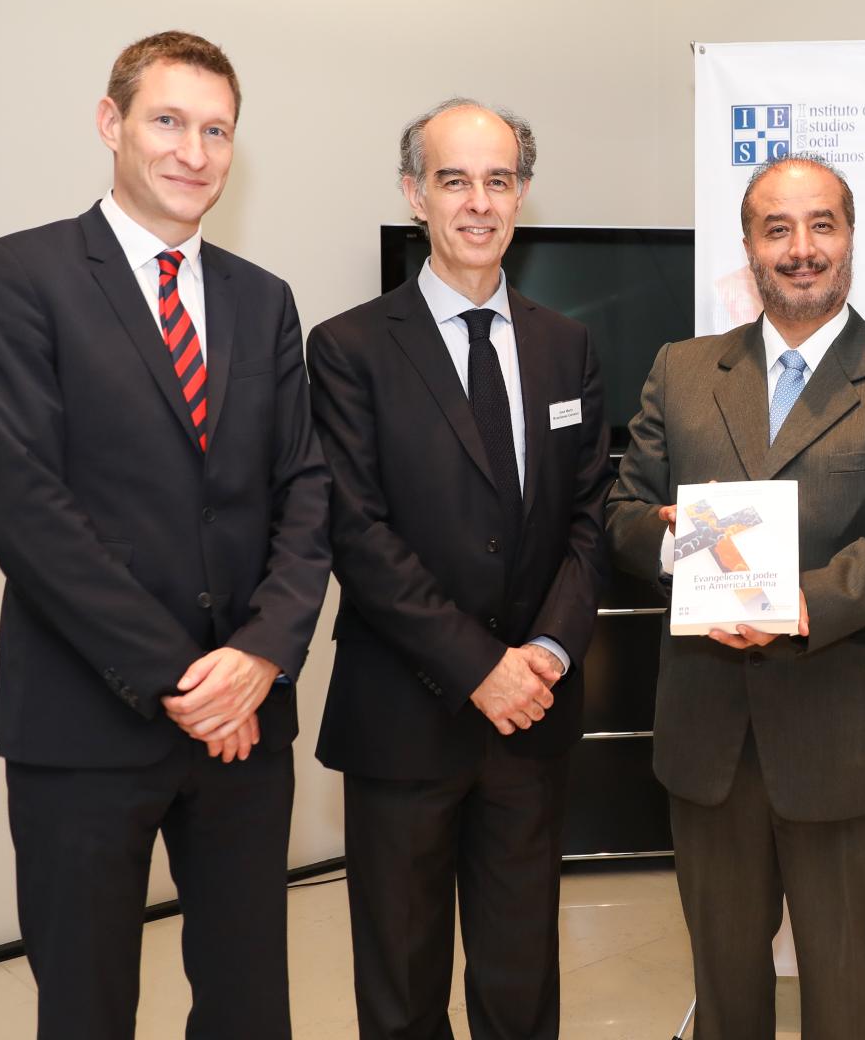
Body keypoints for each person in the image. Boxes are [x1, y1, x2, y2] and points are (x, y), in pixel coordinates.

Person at [0, 30, 331, 1037]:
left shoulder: (263, 299)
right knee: (87, 1009)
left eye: (217, 130)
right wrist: (185, 680)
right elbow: (25, 508)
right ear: (110, 123)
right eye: (168, 121)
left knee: (250, 1007)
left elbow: (304, 492)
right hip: (86, 720)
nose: (193, 152)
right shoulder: (19, 276)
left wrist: (260, 655)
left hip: (246, 725)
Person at [604, 154, 865, 1039]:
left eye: (820, 225)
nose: (800, 248)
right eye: (777, 229)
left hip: (847, 745)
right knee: (726, 1001)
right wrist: (679, 546)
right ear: (749, 247)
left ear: (849, 238)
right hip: (708, 743)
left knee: (849, 1004)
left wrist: (790, 606)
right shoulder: (681, 370)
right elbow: (622, 515)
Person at [306, 98, 611, 1039]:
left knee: (521, 984)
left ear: (522, 193)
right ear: (415, 194)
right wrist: (482, 668)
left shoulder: (567, 345)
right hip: (404, 715)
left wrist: (547, 652)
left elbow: (590, 517)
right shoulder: (349, 347)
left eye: (498, 180)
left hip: (532, 718)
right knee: (401, 988)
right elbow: (357, 533)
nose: (478, 202)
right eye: (454, 180)